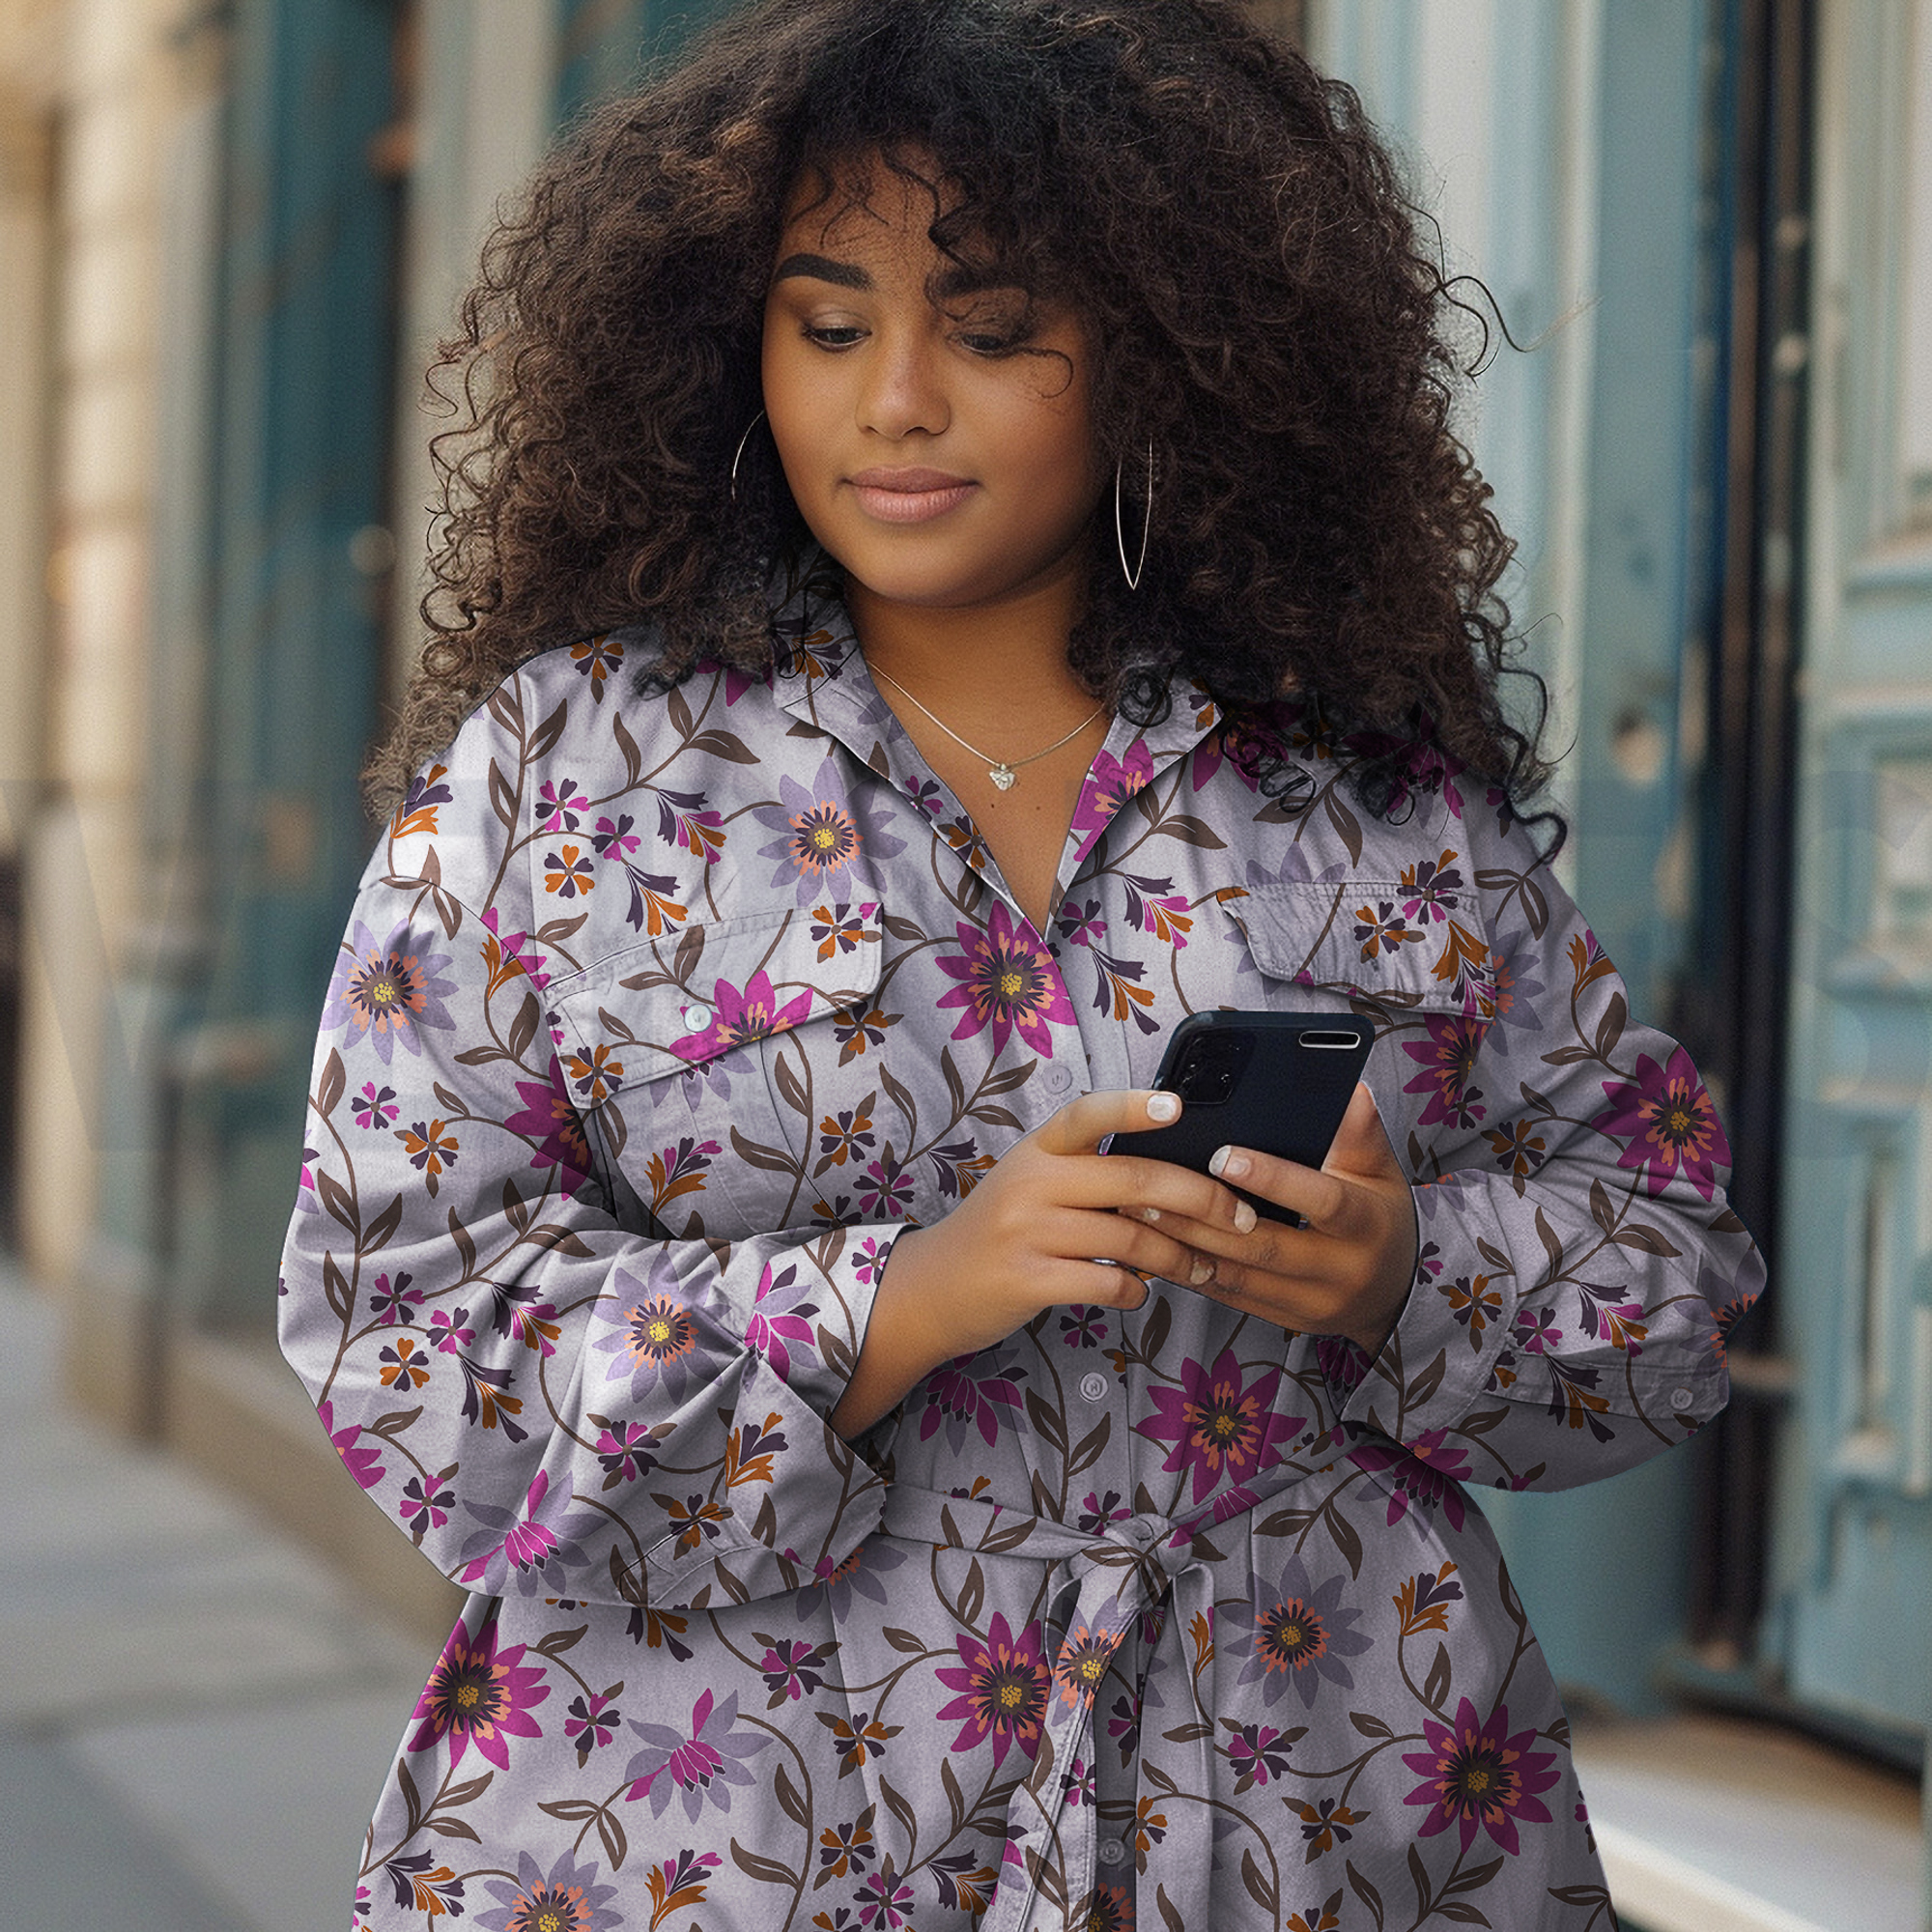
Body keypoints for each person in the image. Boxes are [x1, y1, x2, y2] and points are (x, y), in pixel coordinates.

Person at [279, 3, 1763, 1926]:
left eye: (989, 331)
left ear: (1164, 356)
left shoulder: (1365, 795)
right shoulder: (564, 781)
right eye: (828, 325)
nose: (895, 398)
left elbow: (1657, 1269)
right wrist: (900, 1296)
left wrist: (1402, 1278)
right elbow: (394, 1335)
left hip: (1320, 1809)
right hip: (724, 1839)